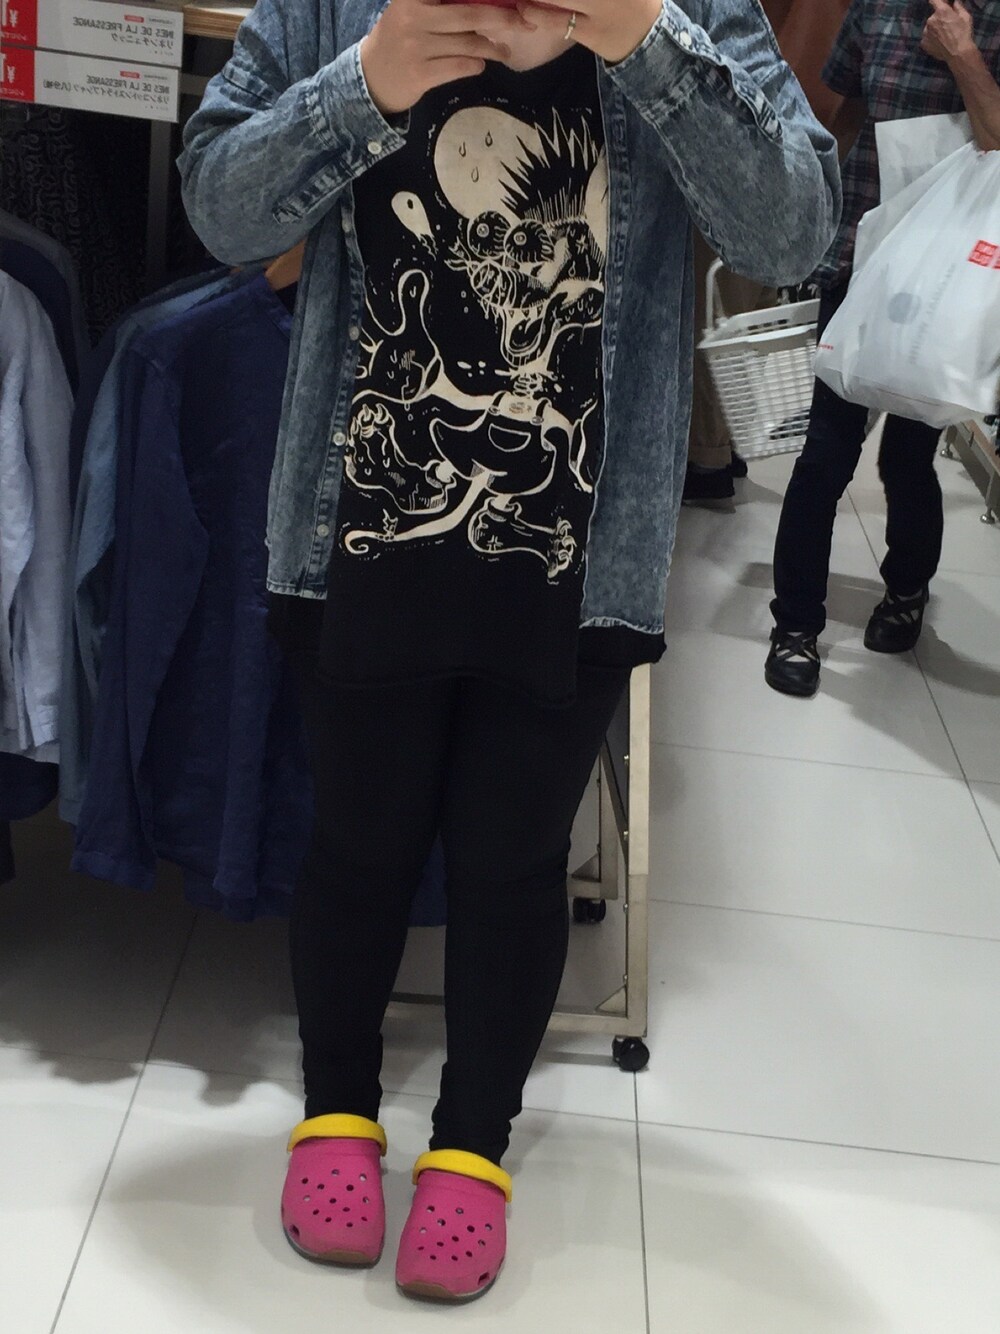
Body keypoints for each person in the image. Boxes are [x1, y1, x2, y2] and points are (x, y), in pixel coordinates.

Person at [180, 0, 838, 1302]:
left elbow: (793, 231)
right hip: (357, 528)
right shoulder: (335, 9)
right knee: (358, 838)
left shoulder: (682, 10)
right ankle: (336, 1112)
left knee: (514, 856)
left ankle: (472, 1145)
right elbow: (221, 210)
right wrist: (364, 83)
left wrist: (647, 40)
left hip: (576, 554)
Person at [766, 0, 1000, 698]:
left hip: (947, 277)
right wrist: (818, 211)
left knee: (908, 454)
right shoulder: (877, 6)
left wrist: (963, 55)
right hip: (864, 257)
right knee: (824, 454)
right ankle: (795, 624)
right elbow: (844, 112)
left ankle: (906, 592)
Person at [685, 0, 852, 506]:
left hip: (761, 135)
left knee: (717, 311)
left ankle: (709, 457)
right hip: (795, 137)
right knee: (746, 308)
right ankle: (726, 441)